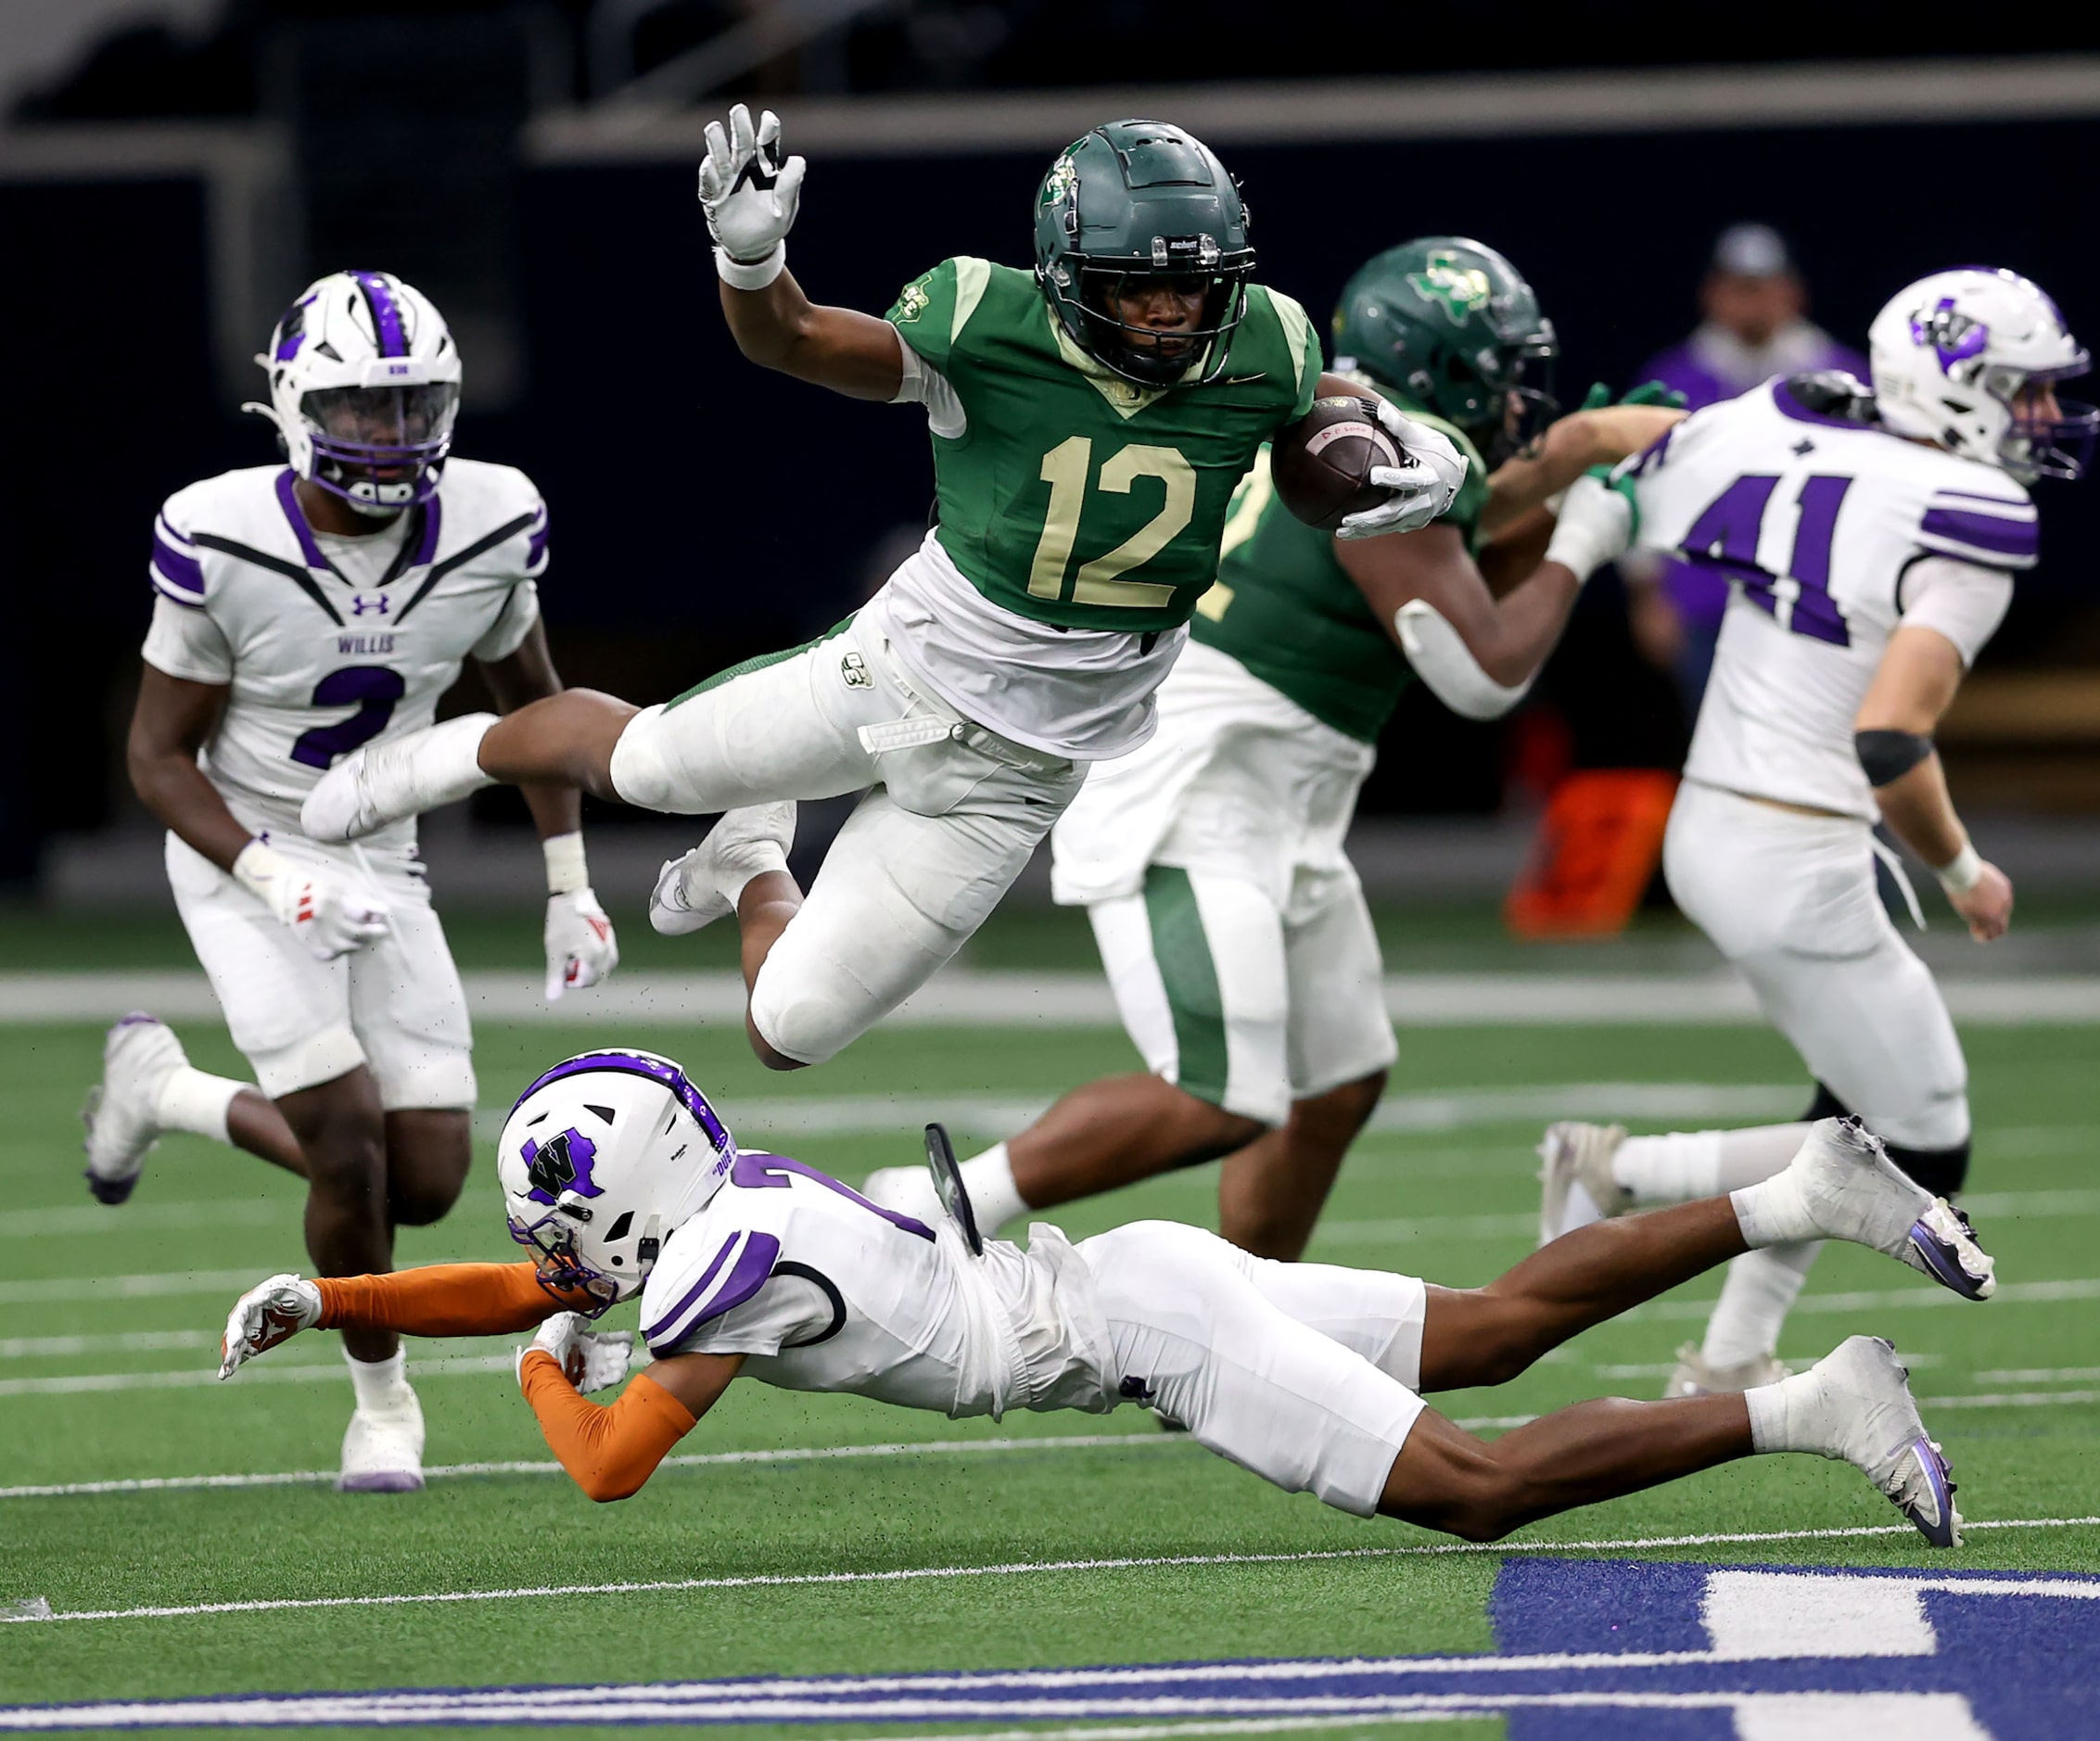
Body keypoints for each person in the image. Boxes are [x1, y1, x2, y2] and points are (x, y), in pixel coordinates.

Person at [296, 108, 1466, 1074]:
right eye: (1136, 288)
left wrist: (1413, 447)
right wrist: (753, 262)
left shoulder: (1267, 341)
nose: (1169, 314)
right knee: (645, 765)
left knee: (785, 1034)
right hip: (895, 680)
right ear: (1066, 275)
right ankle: (432, 761)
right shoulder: (985, 318)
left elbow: (1328, 417)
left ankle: (754, 856)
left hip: (1021, 778)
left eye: (1193, 289)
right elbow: (794, 340)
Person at [221, 1048, 1996, 1547]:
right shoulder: (720, 1198)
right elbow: (524, 1270)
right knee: (1492, 1324)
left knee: (1481, 1483)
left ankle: (1814, 1399)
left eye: (569, 1237)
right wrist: (335, 1297)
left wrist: (544, 1362)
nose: (560, 1268)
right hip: (1131, 1276)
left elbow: (604, 1460)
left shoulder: (712, 1272)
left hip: (1143, 1325)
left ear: (628, 1204)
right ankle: (1794, 1189)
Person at [861, 237, 1679, 1254]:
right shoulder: (1390, 449)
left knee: (1336, 1083)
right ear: (1441, 367)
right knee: (1220, 1096)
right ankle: (929, 1203)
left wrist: (1570, 460)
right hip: (1200, 788)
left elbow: (1458, 532)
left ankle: (1250, 1318)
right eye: (1503, 372)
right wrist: (1585, 535)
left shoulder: (1354, 429)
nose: (1518, 400)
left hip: (1273, 790)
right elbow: (1483, 674)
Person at [88, 269, 619, 1492]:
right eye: (359, 408)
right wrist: (272, 878)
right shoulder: (221, 534)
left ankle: (162, 1090)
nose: (386, 436)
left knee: (424, 1178)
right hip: (241, 846)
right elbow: (155, 757)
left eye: (408, 406)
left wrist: (566, 875)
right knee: (345, 1149)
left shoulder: (493, 520)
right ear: (289, 403)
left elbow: (532, 707)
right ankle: (383, 1405)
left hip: (381, 855)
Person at [1538, 266, 2093, 1398]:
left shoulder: (1788, 428)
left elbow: (1615, 458)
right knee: (1920, 1138)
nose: (2042, 416)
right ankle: (1617, 1168)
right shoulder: (1966, 513)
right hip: (1794, 850)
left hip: (1720, 825)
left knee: (1849, 1101)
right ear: (1955, 391)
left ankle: (1734, 1354)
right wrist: (1963, 868)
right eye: (2018, 391)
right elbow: (1893, 741)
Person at [1625, 223, 1870, 715]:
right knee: (1718, 736)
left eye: (1763, 288)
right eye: (1740, 288)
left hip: (1815, 598)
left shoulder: (1842, 380)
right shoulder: (1672, 379)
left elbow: (1872, 491)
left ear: (1791, 293)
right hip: (1702, 600)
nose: (1752, 303)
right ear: (1713, 294)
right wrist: (1646, 595)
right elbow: (1637, 485)